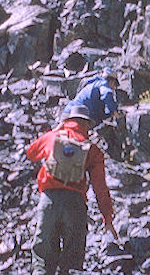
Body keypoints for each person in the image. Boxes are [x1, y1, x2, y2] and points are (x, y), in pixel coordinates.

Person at [26, 104, 118, 275]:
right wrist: (107, 217)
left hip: (49, 201)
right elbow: (100, 187)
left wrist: (55, 131)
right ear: (87, 125)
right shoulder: (92, 149)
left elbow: (30, 153)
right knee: (73, 261)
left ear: (66, 120)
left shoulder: (52, 137)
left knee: (42, 258)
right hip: (75, 204)